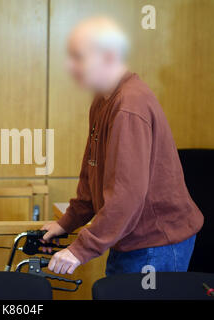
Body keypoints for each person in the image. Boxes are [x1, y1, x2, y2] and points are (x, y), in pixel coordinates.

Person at [42, 17, 203, 276]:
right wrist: (68, 222)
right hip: (131, 238)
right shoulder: (102, 100)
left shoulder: (129, 106)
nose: (71, 66)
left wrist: (80, 249)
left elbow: (127, 195)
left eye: (79, 57)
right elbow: (91, 174)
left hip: (155, 244)